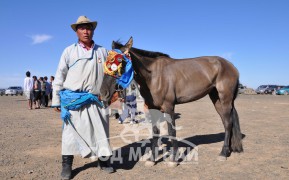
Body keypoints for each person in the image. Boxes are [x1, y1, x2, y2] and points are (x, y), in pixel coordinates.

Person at [51, 15, 114, 179]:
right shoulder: (69, 51)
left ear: (93, 30)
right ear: (76, 31)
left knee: (101, 132)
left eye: (89, 28)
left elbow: (113, 73)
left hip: (96, 99)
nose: (86, 31)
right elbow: (59, 76)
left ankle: (104, 161)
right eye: (82, 28)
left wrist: (123, 59)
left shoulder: (103, 51)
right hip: (73, 101)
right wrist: (56, 100)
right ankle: (67, 166)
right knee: (70, 135)